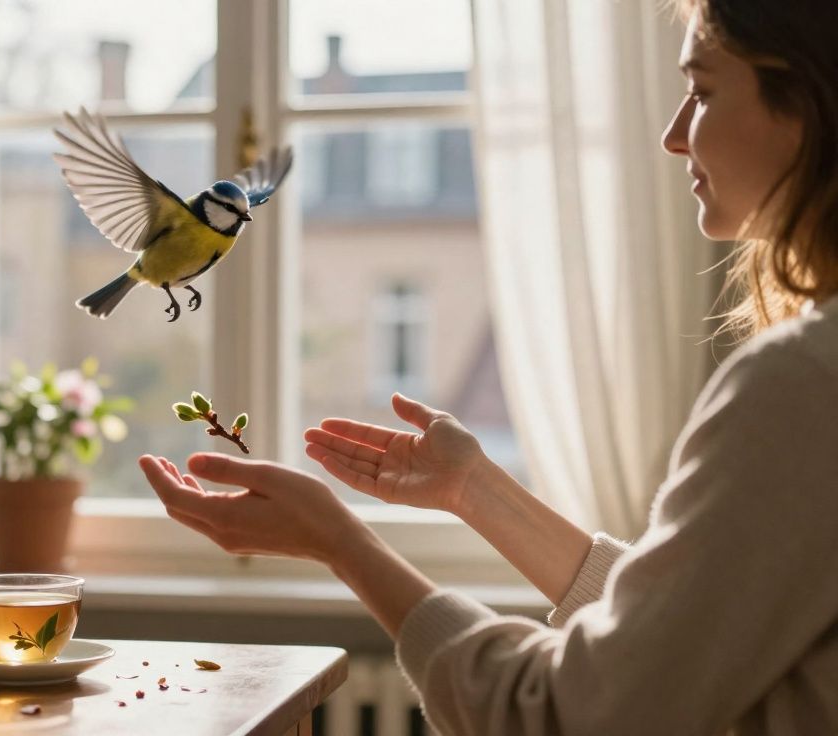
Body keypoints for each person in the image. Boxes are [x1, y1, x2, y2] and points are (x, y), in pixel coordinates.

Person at [139, 1, 838, 733]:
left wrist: (342, 544)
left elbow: (565, 715)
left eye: (701, 91)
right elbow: (684, 637)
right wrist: (475, 491)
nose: (670, 136)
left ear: (809, 103)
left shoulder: (800, 388)